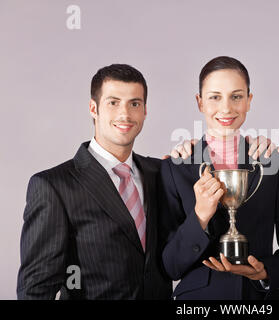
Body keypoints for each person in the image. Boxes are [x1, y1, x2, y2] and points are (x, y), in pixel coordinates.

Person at [159, 56, 279, 300]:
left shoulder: (273, 160)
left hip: (261, 299)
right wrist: (199, 216)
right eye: (215, 97)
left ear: (249, 101)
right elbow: (170, 265)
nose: (226, 108)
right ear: (200, 102)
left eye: (237, 96)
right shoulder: (176, 167)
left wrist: (265, 272)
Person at [17, 64, 172, 299]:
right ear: (93, 108)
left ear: (145, 110)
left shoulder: (161, 173)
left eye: (134, 103)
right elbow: (36, 289)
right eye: (113, 102)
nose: (125, 114)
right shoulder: (53, 187)